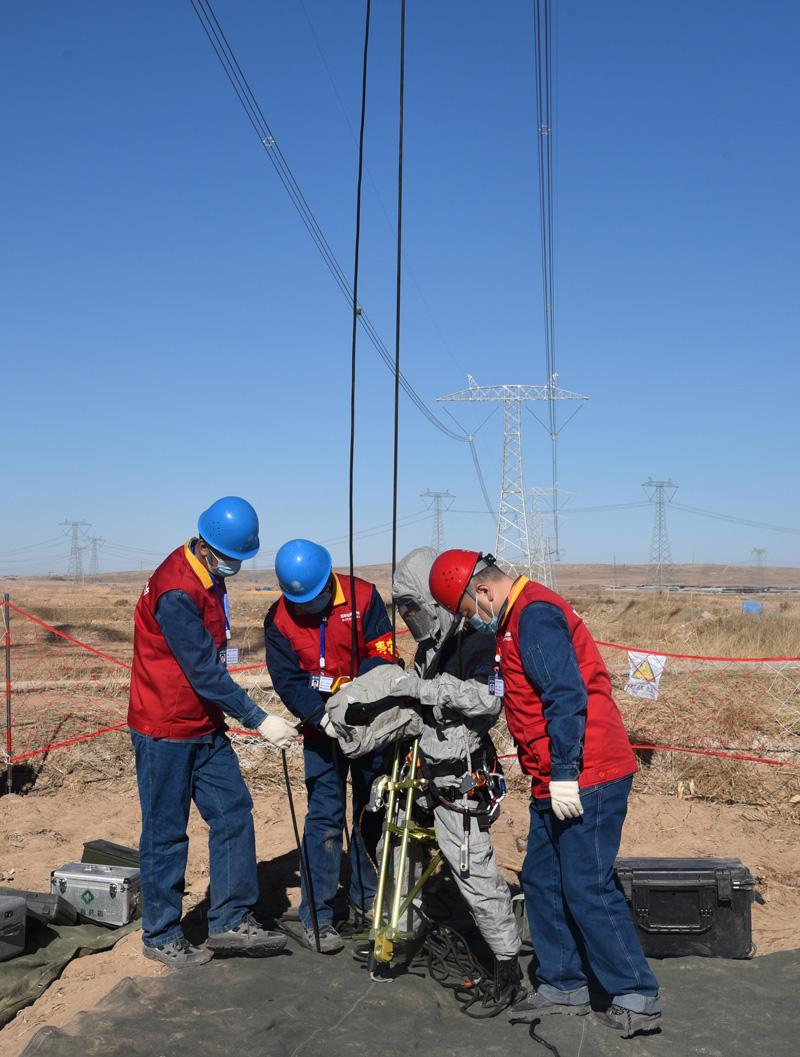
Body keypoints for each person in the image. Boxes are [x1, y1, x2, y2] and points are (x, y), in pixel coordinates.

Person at [428, 550, 662, 1038]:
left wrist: (564, 772)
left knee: (587, 884)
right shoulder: (517, 618)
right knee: (541, 878)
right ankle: (563, 984)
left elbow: (566, 695)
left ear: (483, 592)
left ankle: (635, 994)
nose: (474, 622)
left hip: (585, 773)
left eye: (470, 612)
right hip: (553, 774)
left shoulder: (533, 616)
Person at [326, 547, 524, 1006]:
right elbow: (416, 708)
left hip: (460, 777)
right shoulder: (432, 648)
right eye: (403, 609)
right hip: (421, 770)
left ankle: (507, 963)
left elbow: (487, 701)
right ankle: (398, 932)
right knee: (395, 848)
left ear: (434, 600)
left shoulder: (477, 640)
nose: (409, 617)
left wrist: (419, 687)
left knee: (470, 867)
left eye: (413, 606)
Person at [128, 497, 299, 969]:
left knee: (232, 811)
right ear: (205, 544)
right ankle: (161, 933)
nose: (235, 566)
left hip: (203, 723)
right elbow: (203, 671)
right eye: (230, 556)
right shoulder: (177, 590)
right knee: (166, 832)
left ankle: (229, 919)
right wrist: (258, 718)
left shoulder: (209, 576)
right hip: (164, 727)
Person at [264, 539, 398, 953]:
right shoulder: (279, 620)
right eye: (298, 601)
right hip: (322, 733)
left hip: (368, 722)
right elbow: (288, 680)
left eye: (314, 598)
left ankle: (365, 901)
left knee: (370, 811)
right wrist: (320, 716)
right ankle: (318, 917)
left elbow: (384, 653)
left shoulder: (364, 597)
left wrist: (356, 701)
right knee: (324, 818)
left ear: (329, 581)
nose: (307, 608)